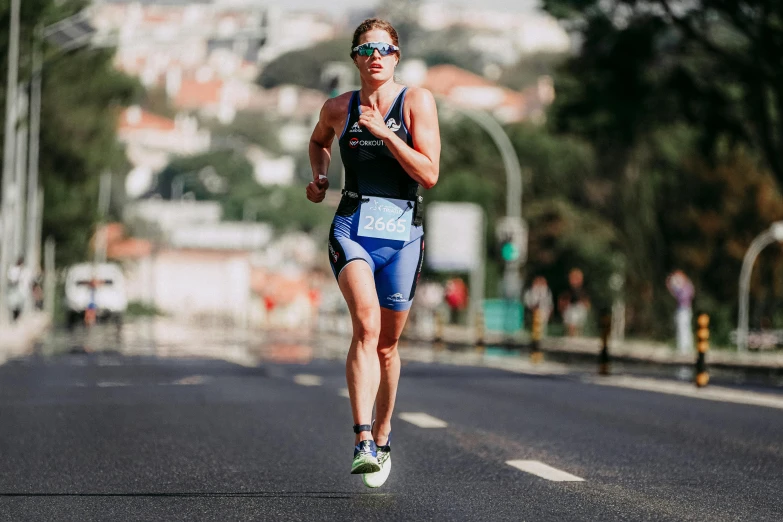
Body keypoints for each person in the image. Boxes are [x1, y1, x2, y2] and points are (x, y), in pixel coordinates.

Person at [306, 18, 440, 488]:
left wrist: (386, 134)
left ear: (396, 56)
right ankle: (362, 439)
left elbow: (429, 173)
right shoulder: (339, 107)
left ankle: (383, 436)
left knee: (387, 344)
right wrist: (321, 177)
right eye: (366, 50)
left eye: (384, 49)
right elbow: (318, 142)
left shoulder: (417, 101)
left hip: (403, 233)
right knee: (366, 326)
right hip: (353, 227)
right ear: (355, 59)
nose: (375, 57)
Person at [666, 270, 694, 354]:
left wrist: (673, 285)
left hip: (684, 310)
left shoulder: (684, 288)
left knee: (683, 329)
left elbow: (681, 297)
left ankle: (684, 349)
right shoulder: (687, 287)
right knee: (685, 329)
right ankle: (685, 347)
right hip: (684, 310)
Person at [558, 268, 590, 336]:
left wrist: (583, 305)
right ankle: (571, 337)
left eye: (577, 278)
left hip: (579, 310)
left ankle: (577, 337)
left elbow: (587, 303)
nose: (575, 281)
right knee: (572, 322)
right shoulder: (566, 289)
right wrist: (563, 307)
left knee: (578, 327)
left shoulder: (583, 290)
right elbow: (562, 301)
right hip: (570, 310)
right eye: (573, 278)